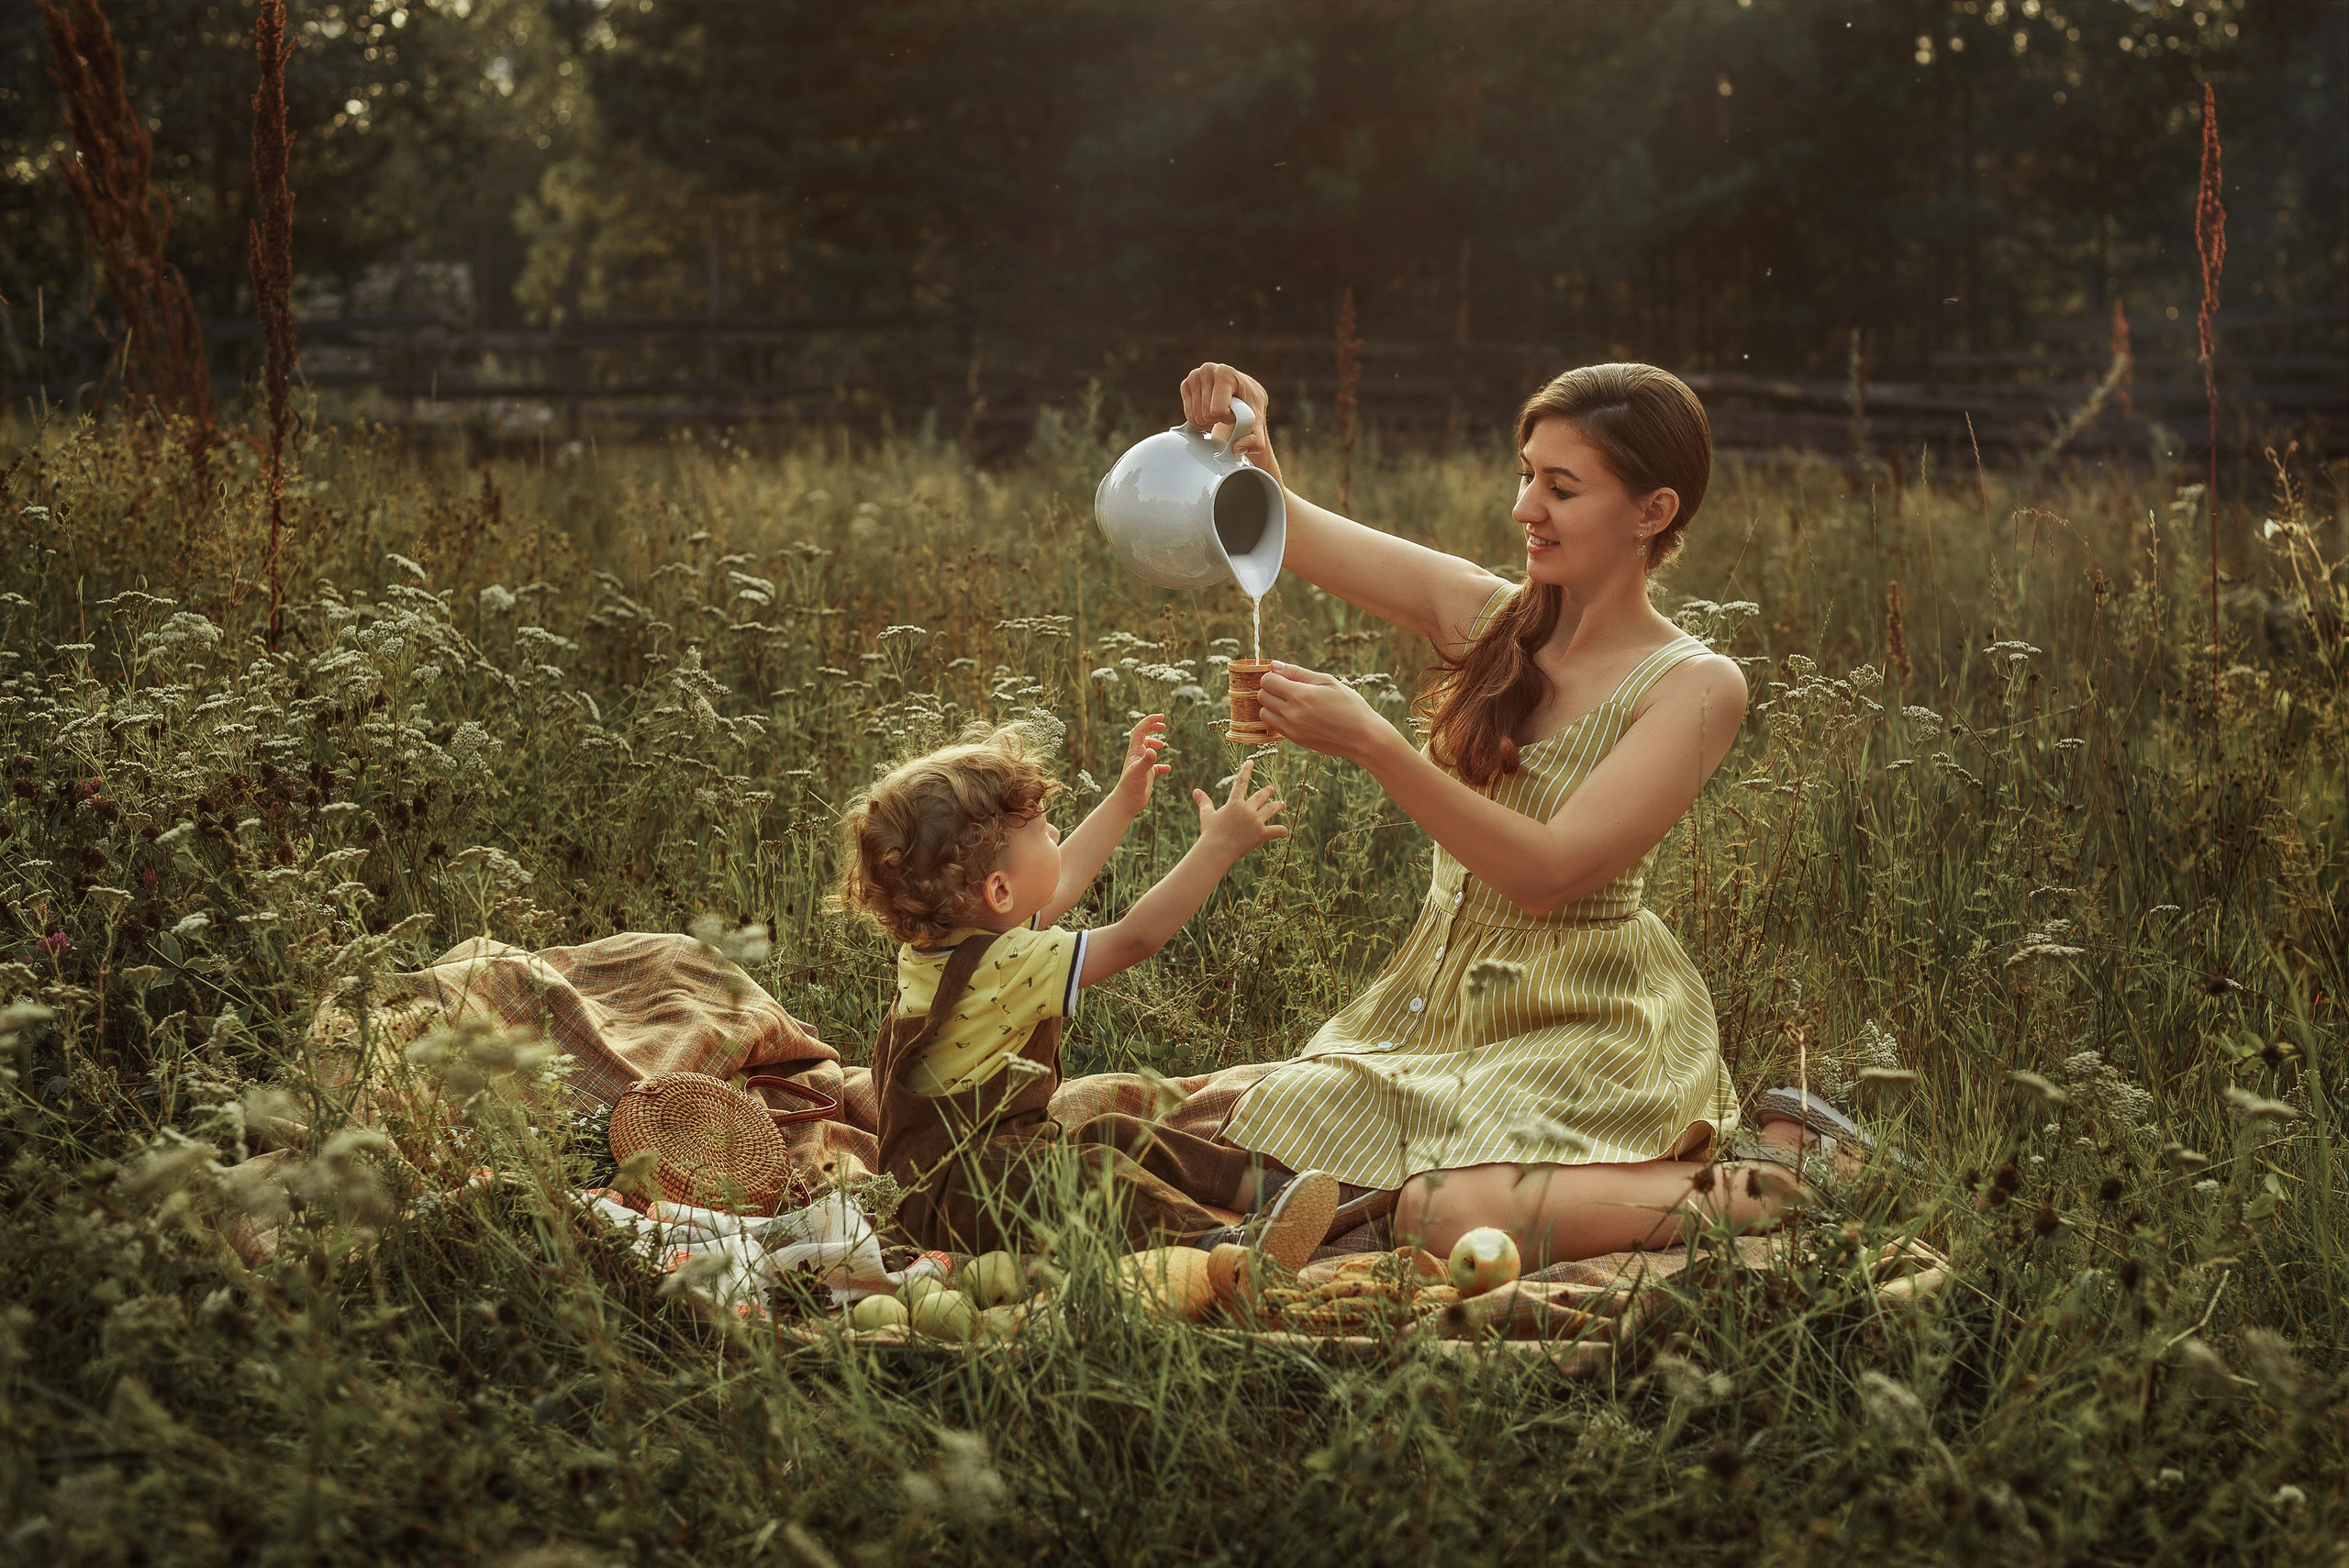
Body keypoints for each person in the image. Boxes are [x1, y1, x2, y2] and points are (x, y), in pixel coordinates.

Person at [1178, 360, 1856, 1266]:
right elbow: (1289, 529)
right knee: (1256, 1144)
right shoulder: (1491, 619)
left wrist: (1374, 744)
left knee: (1441, 1213)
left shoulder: (1696, 685)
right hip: (1444, 1010)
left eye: (1561, 488)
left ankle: (1777, 1176)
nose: (1523, 507)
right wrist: (1251, 450)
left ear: (1652, 512)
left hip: (1589, 1021)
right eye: (1526, 474)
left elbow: (1549, 875)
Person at [837, 715, 1339, 1268]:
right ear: (999, 890)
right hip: (959, 1201)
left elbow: (1066, 878)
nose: (1055, 835)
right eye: (1041, 831)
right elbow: (1135, 937)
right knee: (1094, 1170)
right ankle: (1220, 1252)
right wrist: (1216, 848)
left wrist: (1124, 801)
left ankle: (1271, 1194)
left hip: (968, 1176)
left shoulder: (958, 939)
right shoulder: (1005, 963)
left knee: (1113, 1134)